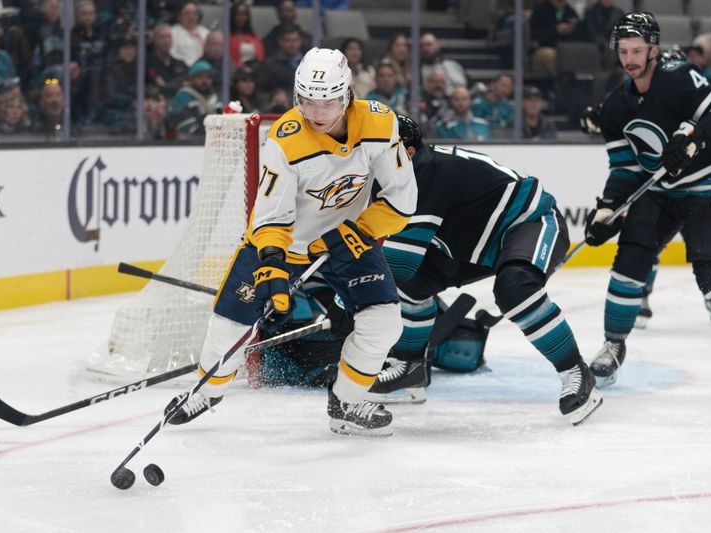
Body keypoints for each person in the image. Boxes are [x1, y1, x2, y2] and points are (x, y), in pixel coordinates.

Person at [164, 47, 417, 436]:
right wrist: (273, 267)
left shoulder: (380, 124)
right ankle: (207, 390)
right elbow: (269, 218)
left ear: (346, 95)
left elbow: (402, 201)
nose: (317, 113)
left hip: (348, 241)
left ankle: (347, 399)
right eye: (308, 101)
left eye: (328, 102)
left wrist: (358, 230)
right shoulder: (286, 140)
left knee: (384, 321)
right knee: (231, 322)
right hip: (284, 242)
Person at [375, 114, 602, 425]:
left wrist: (349, 295)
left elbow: (398, 264)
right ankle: (410, 368)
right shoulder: (400, 173)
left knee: (515, 289)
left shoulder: (423, 174)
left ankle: (577, 372)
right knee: (411, 286)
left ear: (408, 153)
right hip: (469, 244)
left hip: (528, 221)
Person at [583, 12, 711, 388]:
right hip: (658, 194)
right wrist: (609, 207)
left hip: (706, 187)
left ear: (653, 49)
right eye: (624, 51)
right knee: (629, 263)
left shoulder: (681, 78)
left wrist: (696, 140)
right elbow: (625, 168)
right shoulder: (614, 107)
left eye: (637, 50)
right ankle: (613, 345)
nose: (630, 59)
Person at [170, 60, 222, 135]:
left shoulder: (215, 98)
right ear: (191, 79)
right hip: (188, 144)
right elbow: (185, 127)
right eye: (200, 77)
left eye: (208, 77)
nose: (204, 81)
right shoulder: (183, 96)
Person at [170, 1, 210, 67]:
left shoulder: (205, 32)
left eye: (194, 13)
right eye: (187, 13)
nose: (191, 17)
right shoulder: (172, 32)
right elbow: (172, 54)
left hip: (204, 69)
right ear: (179, 16)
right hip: (182, 68)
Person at [229, 1, 265, 68]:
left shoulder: (255, 38)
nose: (242, 18)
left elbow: (261, 58)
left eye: (245, 14)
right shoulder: (227, 38)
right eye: (238, 14)